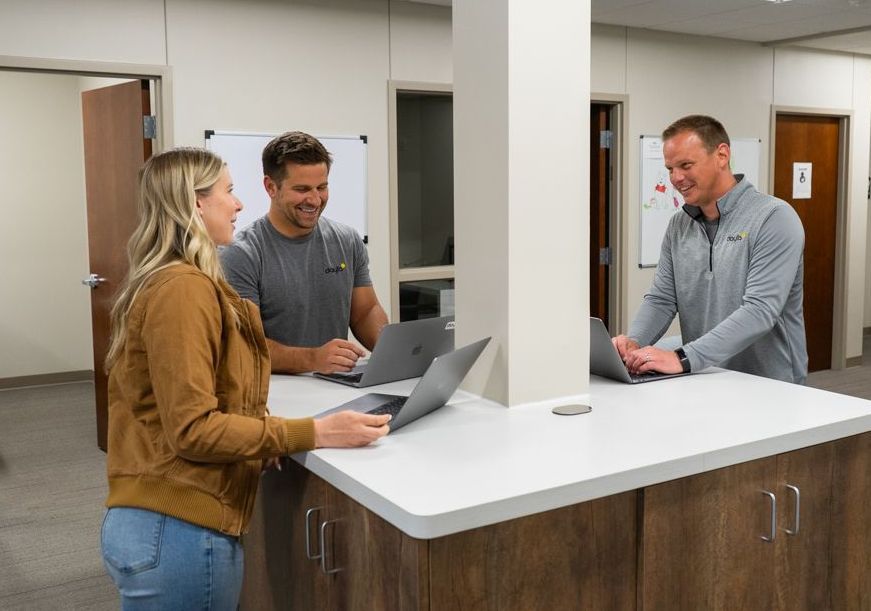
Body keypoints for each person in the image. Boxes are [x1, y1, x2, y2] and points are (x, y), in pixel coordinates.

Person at [100, 148, 390, 610]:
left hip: (169, 522)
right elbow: (193, 429)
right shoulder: (183, 289)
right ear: (195, 204)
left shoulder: (182, 280)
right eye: (228, 192)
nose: (237, 204)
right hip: (177, 527)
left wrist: (259, 436)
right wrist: (312, 432)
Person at [613, 115, 808, 384]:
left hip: (768, 384)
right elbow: (662, 299)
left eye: (686, 165)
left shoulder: (774, 217)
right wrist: (634, 343)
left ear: (722, 155)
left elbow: (760, 310)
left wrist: (682, 358)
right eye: (670, 168)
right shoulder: (678, 225)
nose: (676, 178)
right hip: (707, 375)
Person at [220, 131, 388, 375]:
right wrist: (313, 359)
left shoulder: (347, 241)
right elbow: (246, 345)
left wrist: (396, 354)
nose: (315, 199)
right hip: (275, 396)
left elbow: (365, 312)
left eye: (322, 187)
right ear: (270, 187)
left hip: (337, 386)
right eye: (302, 189)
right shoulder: (240, 254)